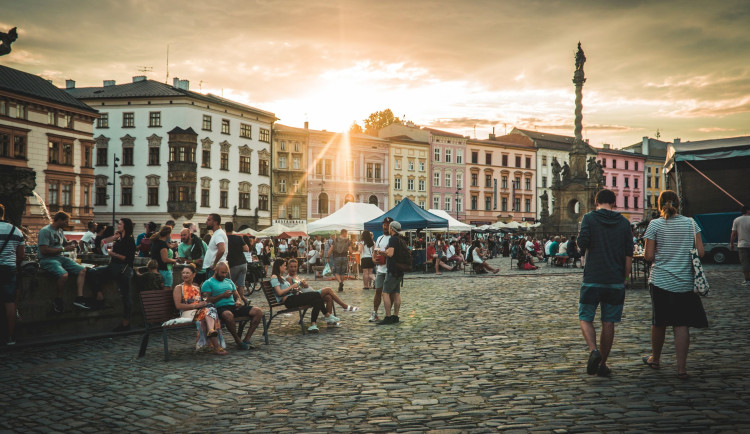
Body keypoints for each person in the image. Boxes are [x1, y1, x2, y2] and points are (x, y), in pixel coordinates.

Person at [642, 190, 708, 380]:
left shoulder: (655, 224)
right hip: (684, 281)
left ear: (659, 204)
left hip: (661, 280)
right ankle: (681, 368)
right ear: (679, 204)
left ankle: (655, 359)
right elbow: (701, 252)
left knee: (659, 321)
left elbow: (648, 256)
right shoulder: (690, 223)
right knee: (681, 324)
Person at [577, 189, 634, 377]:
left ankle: (593, 350)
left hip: (593, 278)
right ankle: (602, 364)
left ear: (596, 202)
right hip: (615, 280)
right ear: (614, 202)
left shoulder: (589, 218)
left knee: (585, 317)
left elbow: (582, 244)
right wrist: (625, 278)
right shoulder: (625, 223)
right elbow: (628, 255)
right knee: (609, 322)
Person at [86, 218, 136, 331]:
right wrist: (113, 238)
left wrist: (113, 254)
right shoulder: (119, 238)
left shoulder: (129, 240)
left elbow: (128, 259)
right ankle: (99, 296)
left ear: (125, 226)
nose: (118, 225)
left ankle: (126, 322)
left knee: (126, 296)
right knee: (91, 272)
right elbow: (102, 242)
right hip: (114, 267)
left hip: (123, 270)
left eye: (120, 224)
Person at [201, 261, 263, 349]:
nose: (224, 275)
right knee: (228, 315)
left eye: (226, 273)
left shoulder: (229, 281)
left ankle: (247, 338)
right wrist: (222, 295)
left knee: (258, 311)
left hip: (233, 306)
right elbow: (207, 300)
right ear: (216, 270)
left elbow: (238, 296)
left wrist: (238, 301)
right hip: (220, 308)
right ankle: (238, 340)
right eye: (222, 272)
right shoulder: (208, 283)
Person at [38, 212, 89, 312]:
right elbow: (44, 250)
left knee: (82, 270)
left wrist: (72, 242)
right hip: (47, 259)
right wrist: (64, 249)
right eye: (65, 221)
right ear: (59, 220)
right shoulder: (45, 231)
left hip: (60, 258)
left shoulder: (60, 230)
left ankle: (79, 298)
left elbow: (64, 243)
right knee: (63, 275)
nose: (67, 224)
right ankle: (58, 300)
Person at [269, 259, 338, 332]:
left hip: (294, 297)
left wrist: (299, 286)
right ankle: (326, 315)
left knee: (317, 300)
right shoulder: (274, 277)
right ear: (279, 266)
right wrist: (292, 287)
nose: (285, 267)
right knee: (316, 295)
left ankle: (313, 325)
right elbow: (279, 293)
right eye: (284, 266)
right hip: (289, 301)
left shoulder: (281, 277)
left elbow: (290, 290)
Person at [173, 265, 227, 355]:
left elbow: (201, 301)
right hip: (187, 313)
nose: (185, 275)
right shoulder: (179, 288)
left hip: (199, 312)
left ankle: (211, 332)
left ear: (194, 274)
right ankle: (216, 345)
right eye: (183, 273)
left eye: (187, 273)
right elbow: (178, 306)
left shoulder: (197, 287)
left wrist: (203, 304)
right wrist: (197, 305)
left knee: (210, 309)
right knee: (210, 312)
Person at [287, 259, 355, 315]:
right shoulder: (289, 278)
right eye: (291, 267)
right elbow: (292, 291)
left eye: (295, 267)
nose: (293, 269)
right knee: (328, 289)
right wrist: (299, 286)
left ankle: (329, 320)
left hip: (311, 293)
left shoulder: (297, 276)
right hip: (307, 297)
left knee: (328, 297)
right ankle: (344, 305)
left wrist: (306, 285)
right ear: (288, 267)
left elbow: (304, 287)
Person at [0, 204, 25, 345]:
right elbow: (21, 255)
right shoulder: (16, 230)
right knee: (10, 302)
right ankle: (10, 337)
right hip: (9, 269)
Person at [378, 220, 405, 325]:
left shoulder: (393, 239)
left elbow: (390, 254)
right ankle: (396, 316)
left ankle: (388, 317)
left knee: (385, 293)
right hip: (400, 270)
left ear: (392, 229)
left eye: (389, 227)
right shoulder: (400, 239)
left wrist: (382, 252)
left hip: (392, 269)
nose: (388, 229)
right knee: (396, 293)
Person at [370, 217, 393, 322]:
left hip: (390, 269)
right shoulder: (379, 238)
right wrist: (373, 259)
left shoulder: (393, 238)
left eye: (387, 225)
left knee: (389, 293)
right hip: (380, 269)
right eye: (384, 225)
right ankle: (375, 312)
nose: (385, 227)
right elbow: (375, 251)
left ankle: (388, 312)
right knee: (378, 291)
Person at [225, 222, 249, 300]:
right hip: (242, 263)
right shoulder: (238, 238)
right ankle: (241, 299)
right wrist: (238, 249)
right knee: (241, 284)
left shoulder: (224, 239)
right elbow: (246, 249)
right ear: (233, 228)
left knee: (231, 284)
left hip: (232, 264)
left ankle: (234, 300)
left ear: (225, 228)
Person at [149, 225, 177, 290]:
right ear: (168, 234)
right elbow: (165, 259)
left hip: (156, 269)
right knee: (167, 291)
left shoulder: (155, 242)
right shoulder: (162, 244)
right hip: (164, 270)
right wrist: (175, 261)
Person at [203, 213, 228, 280]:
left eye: (209, 220)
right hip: (214, 267)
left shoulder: (218, 234)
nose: (206, 222)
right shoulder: (217, 233)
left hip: (215, 268)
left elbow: (221, 249)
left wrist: (214, 264)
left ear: (215, 222)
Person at [730, 205, 750, 285]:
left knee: (745, 262)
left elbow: (733, 233)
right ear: (748, 211)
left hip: (742, 245)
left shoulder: (737, 220)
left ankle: (747, 280)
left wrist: (731, 243)